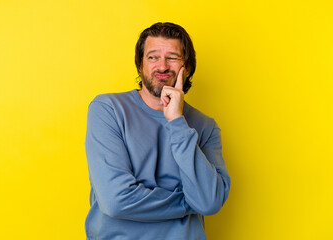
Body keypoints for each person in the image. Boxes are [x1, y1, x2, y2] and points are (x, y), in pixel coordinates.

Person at [85, 22, 231, 240]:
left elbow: (209, 202)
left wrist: (177, 121)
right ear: (140, 64)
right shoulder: (108, 109)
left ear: (187, 68)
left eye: (172, 57)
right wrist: (188, 203)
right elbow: (116, 201)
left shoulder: (205, 127)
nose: (162, 67)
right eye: (153, 57)